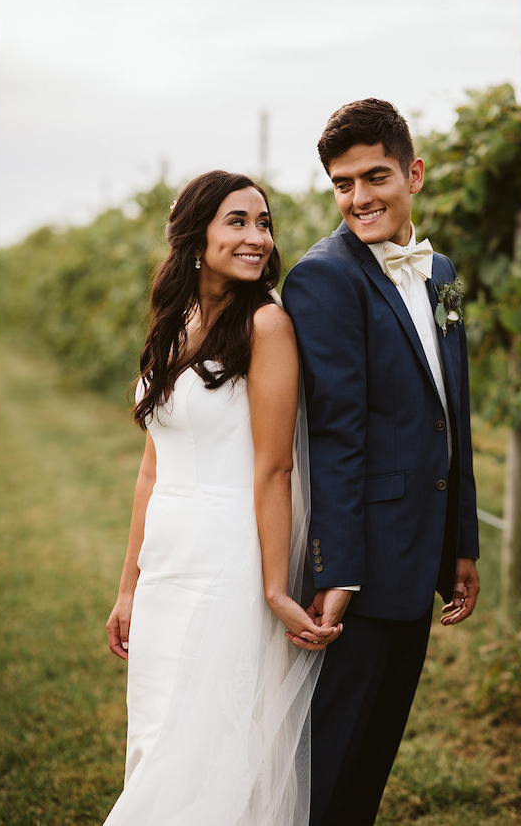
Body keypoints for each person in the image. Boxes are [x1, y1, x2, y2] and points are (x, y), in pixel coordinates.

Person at [102, 170, 339, 824]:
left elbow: (273, 469)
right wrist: (130, 585)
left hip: (227, 557)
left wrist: (272, 587)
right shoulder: (176, 320)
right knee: (158, 732)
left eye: (263, 223)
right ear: (196, 232)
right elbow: (153, 466)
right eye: (238, 221)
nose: (257, 237)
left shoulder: (267, 325)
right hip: (168, 561)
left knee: (208, 743)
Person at [281, 98, 481, 826]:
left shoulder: (445, 274)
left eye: (375, 176)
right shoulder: (321, 279)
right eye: (342, 183)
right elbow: (336, 435)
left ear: (414, 173)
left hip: (423, 549)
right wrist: (338, 571)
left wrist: (463, 540)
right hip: (361, 566)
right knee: (329, 765)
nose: (359, 197)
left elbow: (454, 408)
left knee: (374, 759)